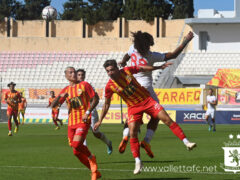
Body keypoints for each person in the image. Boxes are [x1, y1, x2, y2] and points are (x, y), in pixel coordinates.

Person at [94, 60, 196, 174]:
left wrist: (158, 67)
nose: (110, 73)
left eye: (112, 70)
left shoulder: (127, 71)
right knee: (133, 132)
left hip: (147, 101)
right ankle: (138, 161)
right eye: (108, 71)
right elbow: (107, 104)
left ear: (117, 68)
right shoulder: (109, 86)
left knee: (167, 119)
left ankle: (187, 142)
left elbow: (142, 68)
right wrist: (100, 120)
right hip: (133, 108)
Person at [118, 31, 194, 156]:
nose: (149, 47)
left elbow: (127, 55)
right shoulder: (151, 56)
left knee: (132, 115)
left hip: (132, 89)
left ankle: (125, 135)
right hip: (146, 89)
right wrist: (186, 41)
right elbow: (173, 55)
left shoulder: (133, 49)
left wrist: (123, 61)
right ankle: (147, 141)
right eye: (149, 45)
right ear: (147, 44)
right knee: (157, 116)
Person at [51, 67, 101, 180]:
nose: (73, 74)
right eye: (71, 72)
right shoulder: (66, 89)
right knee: (76, 152)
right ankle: (95, 172)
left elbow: (96, 99)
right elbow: (53, 105)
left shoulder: (84, 85)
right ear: (66, 75)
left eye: (74, 72)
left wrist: (88, 112)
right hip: (71, 123)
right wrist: (59, 96)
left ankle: (91, 158)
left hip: (83, 120)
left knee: (77, 145)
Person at [76, 69, 112, 155]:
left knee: (95, 133)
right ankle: (87, 155)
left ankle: (108, 143)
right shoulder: (74, 87)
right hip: (80, 113)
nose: (81, 76)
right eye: (79, 75)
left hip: (91, 111)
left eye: (82, 75)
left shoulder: (87, 85)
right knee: (82, 132)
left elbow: (95, 99)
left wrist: (88, 110)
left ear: (84, 76)